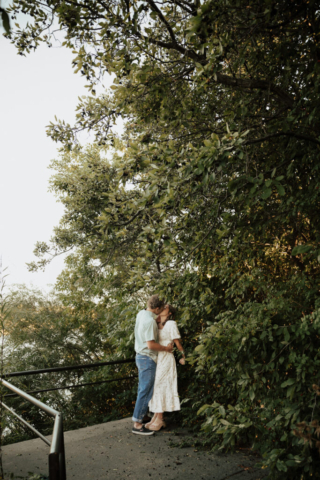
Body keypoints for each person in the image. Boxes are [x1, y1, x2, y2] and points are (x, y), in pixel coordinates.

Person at [132, 295, 174, 435]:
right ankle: (137, 424)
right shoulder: (150, 321)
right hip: (147, 358)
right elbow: (151, 345)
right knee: (145, 390)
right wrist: (166, 349)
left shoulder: (141, 313)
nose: (162, 310)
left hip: (140, 356)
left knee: (143, 389)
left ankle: (142, 415)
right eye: (160, 309)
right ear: (156, 309)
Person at [146, 304, 185, 431]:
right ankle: (156, 415)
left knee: (161, 385)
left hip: (167, 358)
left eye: (166, 307)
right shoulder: (156, 322)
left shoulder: (171, 324)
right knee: (156, 385)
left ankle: (161, 418)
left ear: (169, 313)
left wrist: (184, 356)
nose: (163, 307)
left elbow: (177, 342)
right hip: (158, 358)